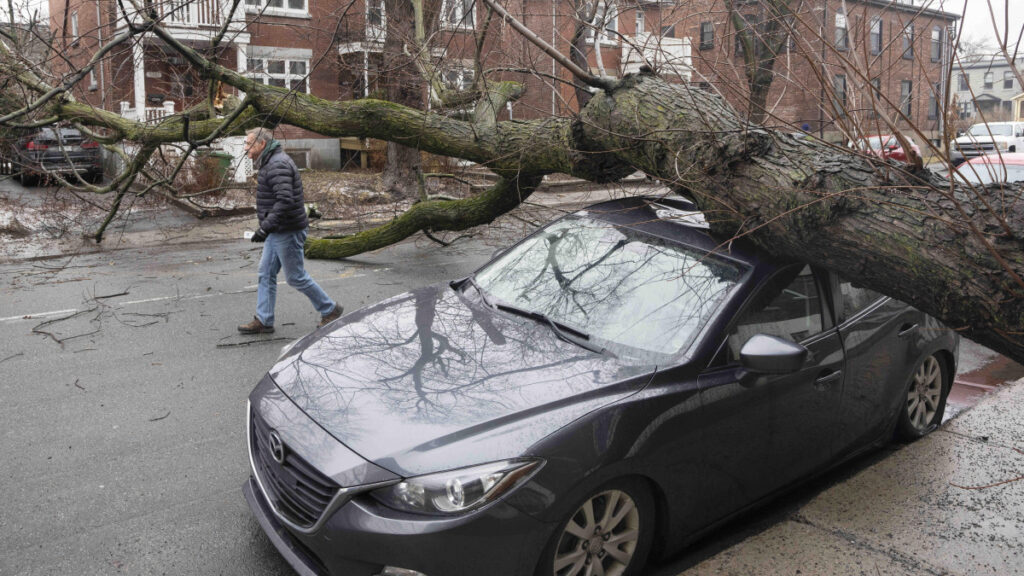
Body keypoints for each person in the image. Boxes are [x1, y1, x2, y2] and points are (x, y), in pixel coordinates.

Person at [237, 127, 342, 334]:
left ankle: (330, 309)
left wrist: (264, 228)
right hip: (278, 229)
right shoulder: (271, 162)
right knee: (266, 273)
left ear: (262, 144)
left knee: (295, 277)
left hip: (288, 231)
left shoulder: (277, 164)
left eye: (249, 144)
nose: (245, 148)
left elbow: (285, 201)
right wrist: (267, 229)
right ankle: (264, 320)